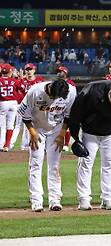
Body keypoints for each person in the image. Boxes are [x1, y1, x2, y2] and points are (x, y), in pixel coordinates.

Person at [67, 80, 111, 210]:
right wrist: (76, 137)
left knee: (109, 164)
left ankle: (108, 198)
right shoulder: (91, 91)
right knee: (86, 163)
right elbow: (75, 114)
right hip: (90, 132)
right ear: (109, 93)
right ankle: (84, 199)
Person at [17, 78, 74, 212]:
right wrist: (32, 132)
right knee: (36, 163)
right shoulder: (34, 91)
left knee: (54, 165)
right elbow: (25, 115)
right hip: (37, 128)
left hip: (56, 129)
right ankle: (36, 200)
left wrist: (61, 135)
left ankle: (55, 199)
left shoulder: (71, 92)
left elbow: (68, 116)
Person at [13, 63, 44, 150]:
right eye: (27, 70)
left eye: (30, 69)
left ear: (34, 70)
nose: (29, 71)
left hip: (36, 106)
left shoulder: (39, 80)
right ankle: (23, 146)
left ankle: (29, 145)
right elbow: (13, 89)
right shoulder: (22, 81)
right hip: (25, 106)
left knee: (34, 126)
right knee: (23, 126)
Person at [0, 64, 22, 151]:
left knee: (2, 126)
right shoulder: (14, 81)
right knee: (10, 125)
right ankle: (6, 145)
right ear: (10, 72)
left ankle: (1, 145)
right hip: (13, 103)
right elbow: (21, 87)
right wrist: (19, 77)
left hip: (3, 103)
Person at [55, 65, 77, 151]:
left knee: (66, 126)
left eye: (60, 72)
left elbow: (73, 97)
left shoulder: (71, 84)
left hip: (68, 107)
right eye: (58, 72)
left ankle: (66, 144)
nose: (58, 73)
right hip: (58, 107)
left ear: (65, 73)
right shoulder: (56, 83)